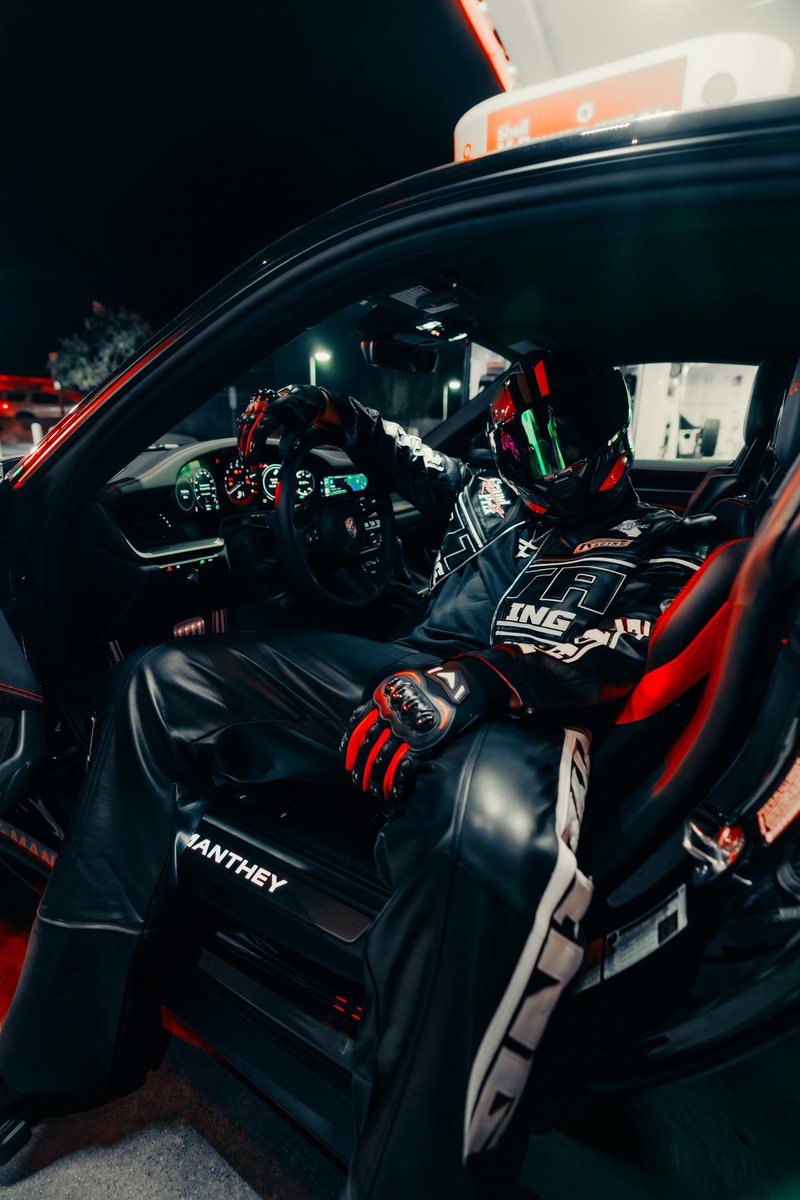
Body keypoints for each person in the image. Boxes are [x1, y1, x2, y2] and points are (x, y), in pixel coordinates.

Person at [0, 351, 708, 1198]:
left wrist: (486, 682)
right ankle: (61, 1054)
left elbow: (631, 649)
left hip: (517, 716)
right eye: (505, 441)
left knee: (480, 837)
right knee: (155, 684)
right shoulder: (485, 495)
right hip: (396, 681)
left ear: (607, 447)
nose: (515, 462)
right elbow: (388, 447)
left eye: (539, 445)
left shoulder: (658, 541)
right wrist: (320, 407)